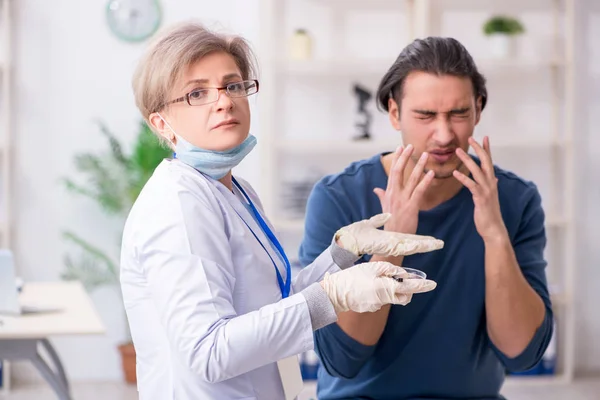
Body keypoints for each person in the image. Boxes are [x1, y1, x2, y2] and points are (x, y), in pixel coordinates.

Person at [119, 22, 445, 400]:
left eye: (233, 84)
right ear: (162, 123)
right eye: (197, 93)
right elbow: (208, 352)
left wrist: (342, 256)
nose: (224, 100)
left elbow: (270, 305)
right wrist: (333, 296)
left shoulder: (233, 189)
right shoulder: (178, 201)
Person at [298, 36, 554, 400]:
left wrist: (495, 235)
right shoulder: (338, 197)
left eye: (458, 113)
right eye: (426, 116)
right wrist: (394, 239)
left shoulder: (515, 199)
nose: (445, 134)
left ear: (478, 109)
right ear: (394, 112)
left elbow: (523, 353)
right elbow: (342, 359)